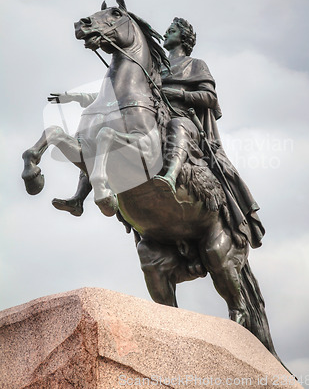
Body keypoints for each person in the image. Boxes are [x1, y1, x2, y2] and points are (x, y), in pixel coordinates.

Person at [49, 17, 264, 249]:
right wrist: (76, 97)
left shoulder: (195, 64)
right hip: (152, 116)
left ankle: (170, 175)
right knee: (103, 129)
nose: (167, 33)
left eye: (172, 31)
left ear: (184, 37)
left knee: (177, 126)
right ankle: (79, 197)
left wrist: (178, 94)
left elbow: (210, 98)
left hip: (181, 117)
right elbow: (121, 94)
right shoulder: (153, 66)